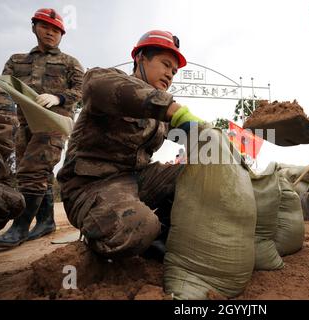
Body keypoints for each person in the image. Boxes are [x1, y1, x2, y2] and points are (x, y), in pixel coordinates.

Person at [57, 30, 203, 260]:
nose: (170, 74)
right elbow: (94, 86)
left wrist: (218, 144)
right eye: (165, 64)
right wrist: (172, 109)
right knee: (138, 227)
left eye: (174, 71)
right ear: (141, 58)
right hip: (91, 186)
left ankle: (164, 236)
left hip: (137, 180)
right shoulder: (109, 82)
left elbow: (194, 137)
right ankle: (108, 234)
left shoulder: (161, 117)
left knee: (200, 172)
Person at [0, 8, 84, 247]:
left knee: (31, 170)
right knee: (39, 173)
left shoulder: (69, 63)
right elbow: (5, 89)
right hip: (23, 124)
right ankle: (46, 222)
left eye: (56, 30)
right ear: (34, 27)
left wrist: (59, 98)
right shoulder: (16, 61)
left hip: (52, 123)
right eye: (45, 26)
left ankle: (20, 227)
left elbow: (82, 89)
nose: (50, 32)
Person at [0, 88, 26, 233]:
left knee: (8, 201)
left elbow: (2, 142)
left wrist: (60, 98)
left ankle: (26, 227)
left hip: (40, 120)